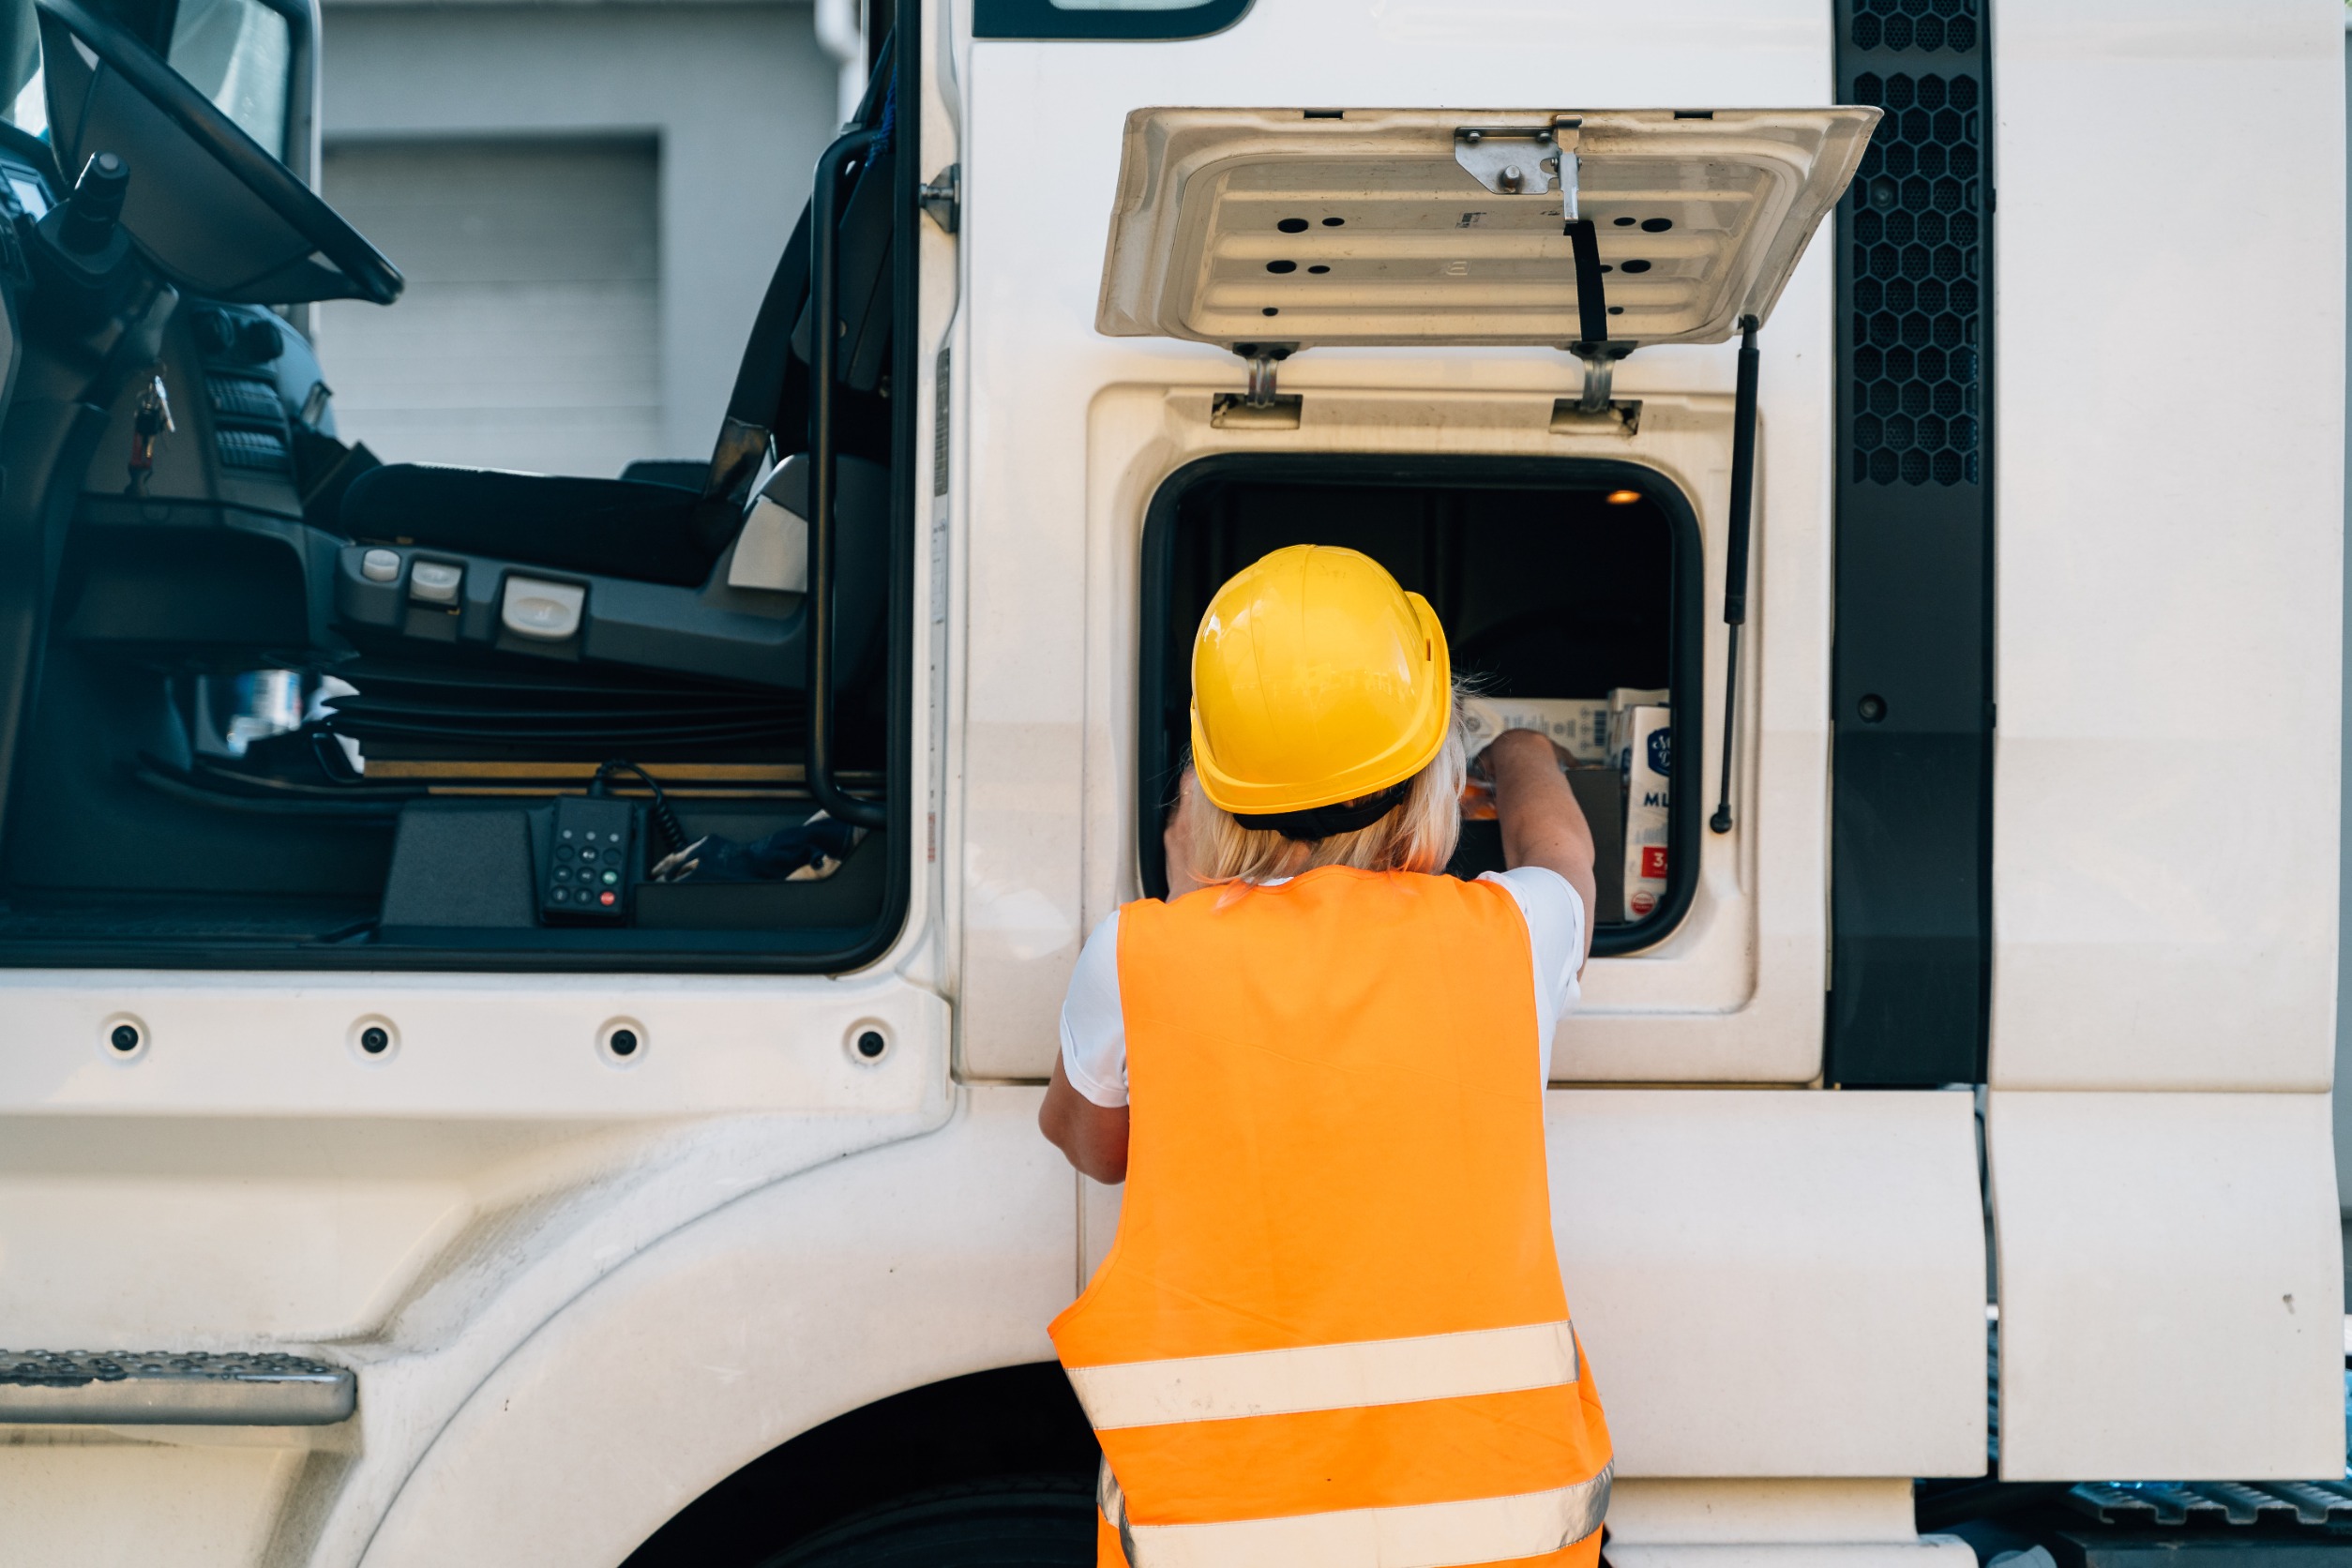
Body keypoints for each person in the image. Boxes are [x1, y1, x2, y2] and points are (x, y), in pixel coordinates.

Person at [1039, 544, 1615, 1568]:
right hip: (1498, 1545)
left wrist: (1188, 912)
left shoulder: (1139, 955)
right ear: (1432, 779)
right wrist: (1522, 749)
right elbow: (1562, 853)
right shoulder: (1512, 938)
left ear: (1205, 786)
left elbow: (1090, 1142)